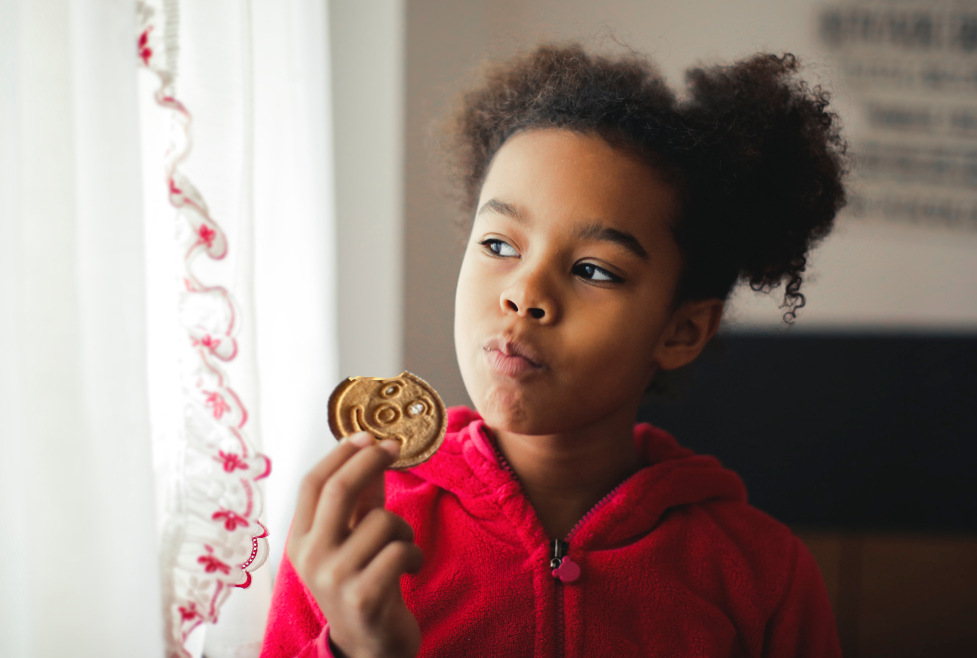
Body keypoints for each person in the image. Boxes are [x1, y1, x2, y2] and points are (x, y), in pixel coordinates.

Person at [261, 43, 848, 658]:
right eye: (497, 245)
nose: (525, 294)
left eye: (594, 270)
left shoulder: (761, 574)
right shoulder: (359, 538)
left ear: (681, 331)